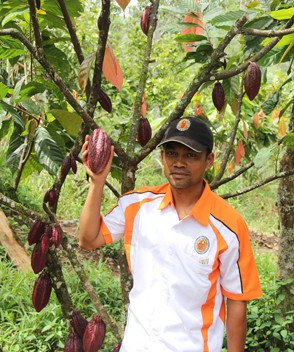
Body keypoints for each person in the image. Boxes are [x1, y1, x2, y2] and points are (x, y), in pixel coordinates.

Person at [79, 116, 262, 352]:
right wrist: (97, 182)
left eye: (191, 155)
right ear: (162, 157)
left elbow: (237, 300)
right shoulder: (137, 205)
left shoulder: (229, 227)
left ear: (209, 161)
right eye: (171, 153)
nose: (179, 163)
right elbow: (88, 238)